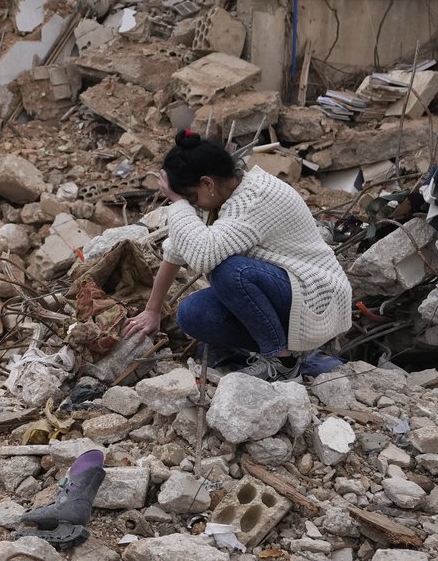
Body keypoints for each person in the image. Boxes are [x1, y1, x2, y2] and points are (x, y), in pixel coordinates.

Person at [123, 130, 352, 380]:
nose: (192, 205)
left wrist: (177, 204)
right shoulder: (219, 197)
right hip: (285, 296)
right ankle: (273, 352)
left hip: (314, 296)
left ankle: (282, 362)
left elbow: (203, 257)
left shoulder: (254, 199)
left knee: (229, 270)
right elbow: (176, 250)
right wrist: (152, 311)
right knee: (191, 314)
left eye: (191, 197)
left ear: (207, 184)